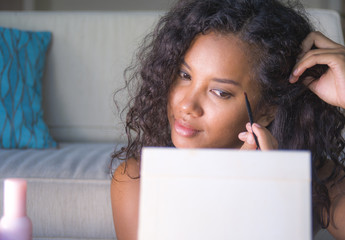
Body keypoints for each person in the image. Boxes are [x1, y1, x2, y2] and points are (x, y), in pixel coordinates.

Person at [110, 0, 345, 239]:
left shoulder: (316, 177)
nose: (186, 105)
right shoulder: (138, 179)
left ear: (267, 111)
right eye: (184, 75)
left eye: (220, 92)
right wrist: (235, 196)